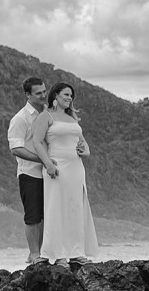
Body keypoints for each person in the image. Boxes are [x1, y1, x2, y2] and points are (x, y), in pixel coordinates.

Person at [29, 81, 99, 261]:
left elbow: (82, 141)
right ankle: (58, 255)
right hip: (57, 167)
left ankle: (76, 252)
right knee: (56, 209)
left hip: (76, 168)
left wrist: (87, 151)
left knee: (75, 209)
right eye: (66, 94)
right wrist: (48, 164)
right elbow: (37, 142)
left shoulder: (73, 119)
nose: (70, 98)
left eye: (71, 95)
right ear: (56, 96)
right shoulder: (46, 116)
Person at [7, 76, 49, 264]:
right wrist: (40, 159)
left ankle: (40, 253)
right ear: (27, 95)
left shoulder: (49, 113)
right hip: (30, 173)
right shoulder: (20, 118)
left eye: (44, 91)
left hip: (49, 173)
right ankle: (33, 254)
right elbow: (16, 148)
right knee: (33, 216)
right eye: (38, 93)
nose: (43, 95)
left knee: (46, 216)